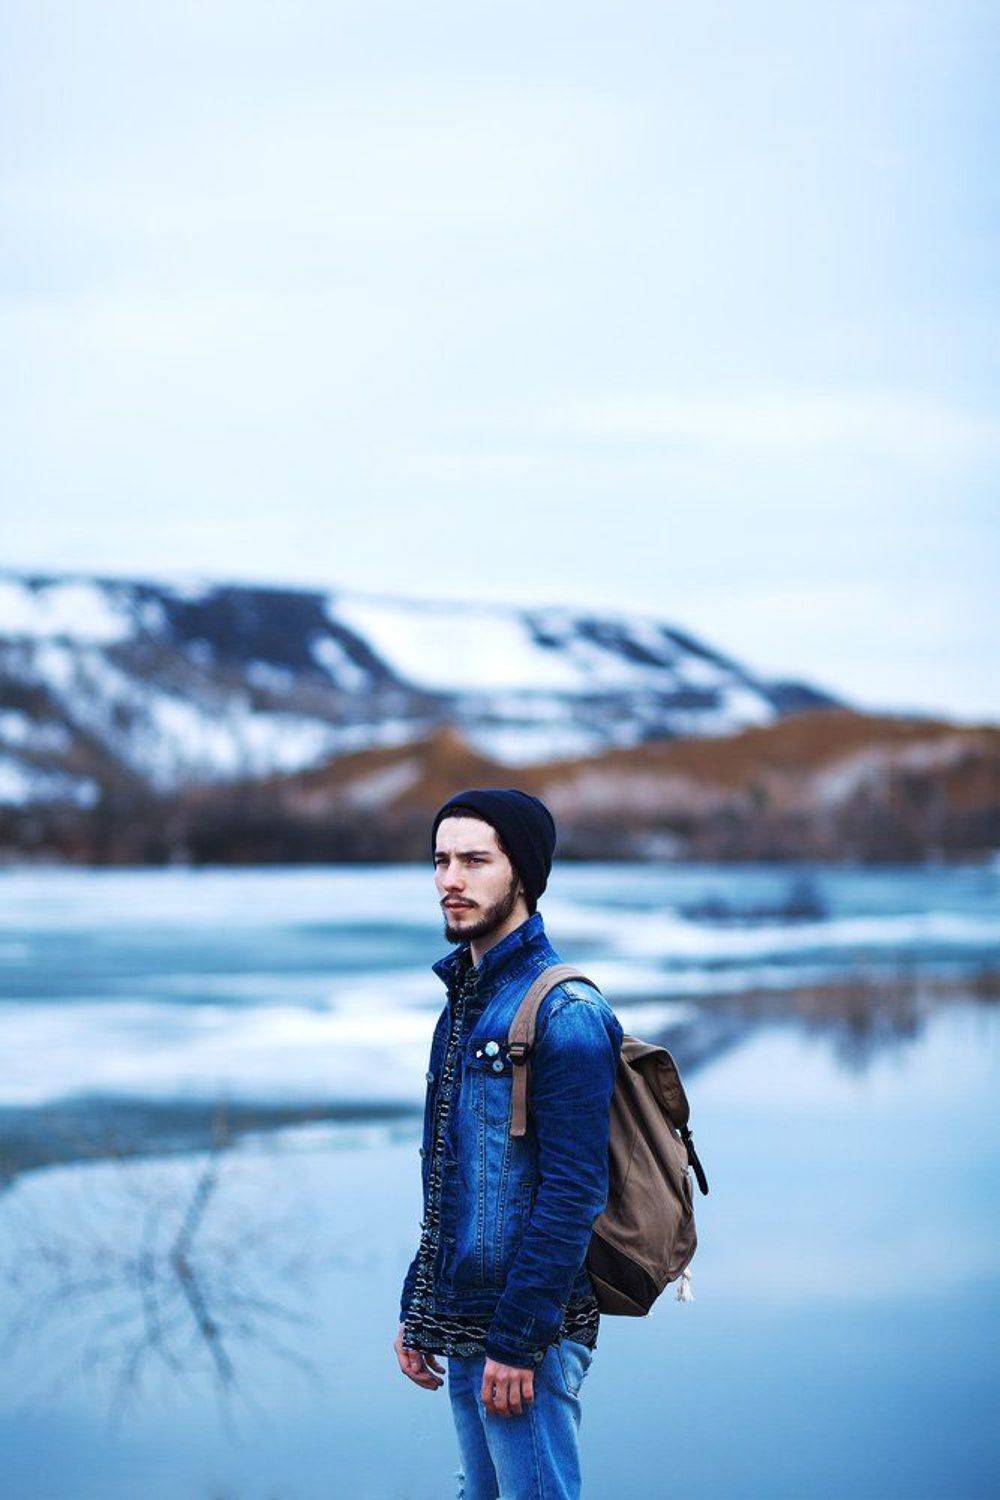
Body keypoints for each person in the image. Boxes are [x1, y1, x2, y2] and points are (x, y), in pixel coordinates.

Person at [393, 787, 623, 1500]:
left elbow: (574, 1190)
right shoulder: (467, 1000)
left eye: (473, 861)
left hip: (529, 1334)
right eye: (440, 861)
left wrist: (519, 1339)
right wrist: (419, 1303)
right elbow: (454, 1176)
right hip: (468, 1321)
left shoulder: (566, 1011)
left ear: (521, 873)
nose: (449, 881)